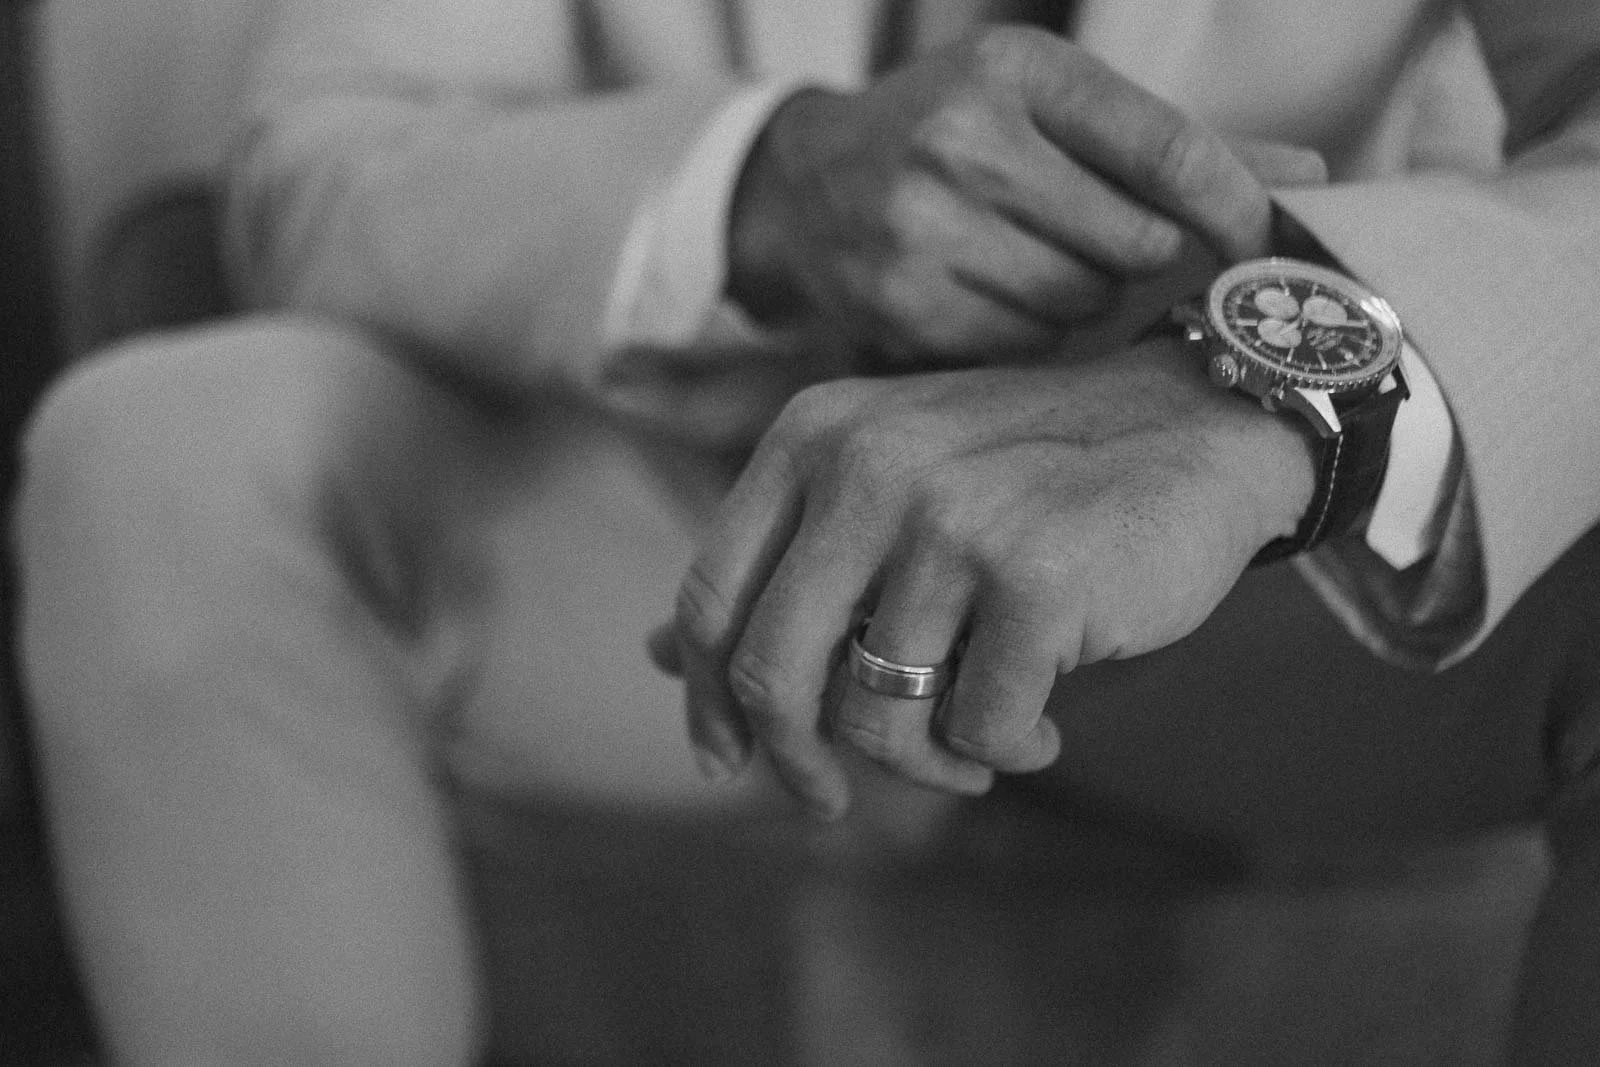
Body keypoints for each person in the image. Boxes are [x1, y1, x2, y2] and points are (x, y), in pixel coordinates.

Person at [10, 0, 1600, 1062]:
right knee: (162, 455)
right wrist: (758, 191)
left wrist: (1253, 404)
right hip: (711, 545)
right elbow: (320, 162)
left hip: (1286, 579)